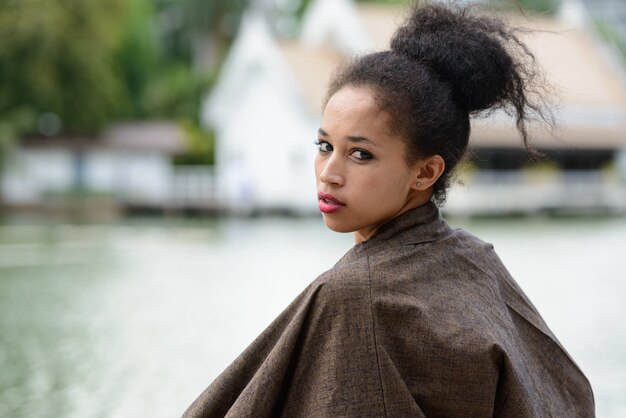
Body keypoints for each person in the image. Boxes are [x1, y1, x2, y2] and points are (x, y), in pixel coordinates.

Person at [183, 2, 595, 417]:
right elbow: (567, 393)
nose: (329, 173)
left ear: (425, 172)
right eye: (324, 146)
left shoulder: (353, 295)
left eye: (360, 154)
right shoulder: (473, 258)